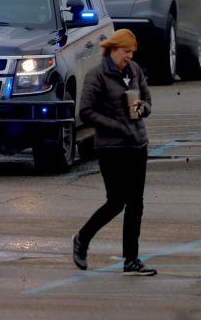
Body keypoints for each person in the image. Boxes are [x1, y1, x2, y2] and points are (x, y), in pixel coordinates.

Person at [72, 29, 157, 276]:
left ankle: (131, 259)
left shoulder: (135, 71)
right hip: (111, 148)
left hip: (137, 145)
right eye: (125, 51)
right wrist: (116, 125)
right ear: (112, 49)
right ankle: (82, 238)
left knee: (136, 204)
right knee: (116, 202)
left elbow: (148, 101)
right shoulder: (96, 76)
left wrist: (142, 108)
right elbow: (86, 112)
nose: (129, 56)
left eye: (131, 52)